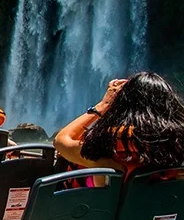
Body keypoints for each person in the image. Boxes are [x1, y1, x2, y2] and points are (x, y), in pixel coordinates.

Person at [55, 73, 184, 176]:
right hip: (164, 208)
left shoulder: (110, 141)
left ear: (123, 103)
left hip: (108, 208)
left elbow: (61, 141)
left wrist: (103, 105)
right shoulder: (176, 142)